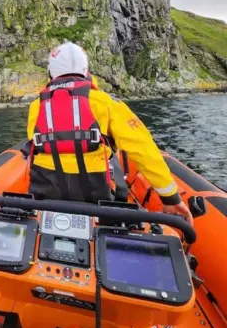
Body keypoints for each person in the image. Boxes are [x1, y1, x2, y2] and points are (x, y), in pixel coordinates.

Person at [27, 41, 193, 226]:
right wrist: (171, 198)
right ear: (86, 70)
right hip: (95, 195)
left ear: (51, 72)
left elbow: (36, 146)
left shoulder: (37, 106)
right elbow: (142, 148)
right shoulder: (106, 103)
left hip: (45, 193)